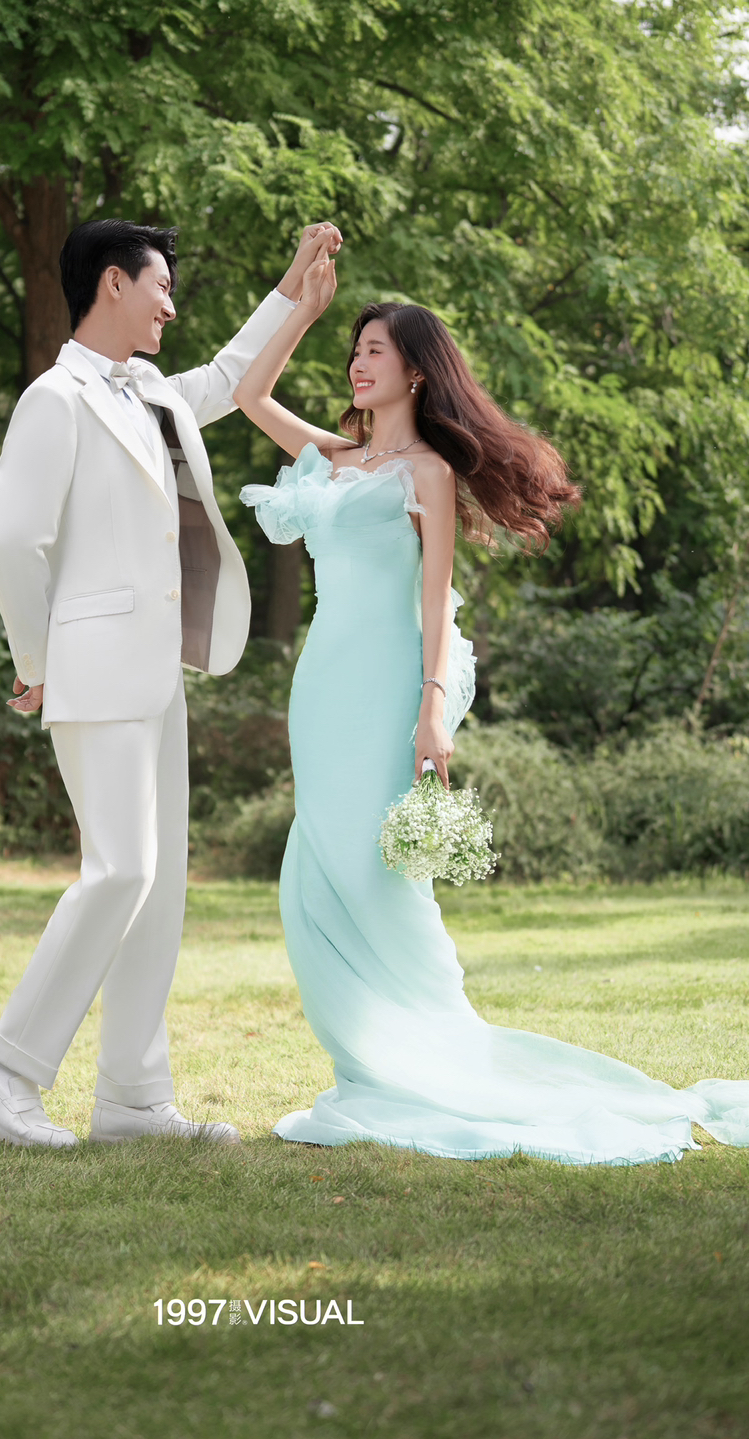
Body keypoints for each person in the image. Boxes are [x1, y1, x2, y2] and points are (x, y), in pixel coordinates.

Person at [234, 237, 749, 1164]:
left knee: (382, 877)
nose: (357, 363)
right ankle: (371, 1067)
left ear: (416, 372)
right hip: (322, 688)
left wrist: (432, 707)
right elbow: (248, 394)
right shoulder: (336, 457)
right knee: (315, 876)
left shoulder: (426, 473)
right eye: (354, 350)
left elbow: (435, 602)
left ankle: (427, 1058)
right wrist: (302, 306)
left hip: (388, 688)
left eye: (375, 350)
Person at [0, 217, 343, 1149]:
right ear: (114, 283)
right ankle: (5, 1068)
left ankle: (131, 1097)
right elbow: (14, 538)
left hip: (160, 673)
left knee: (157, 886)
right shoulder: (54, 398)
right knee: (120, 868)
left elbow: (230, 377)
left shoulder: (153, 393)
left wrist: (294, 291)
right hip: (89, 671)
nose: (171, 305)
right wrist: (35, 663)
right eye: (161, 286)